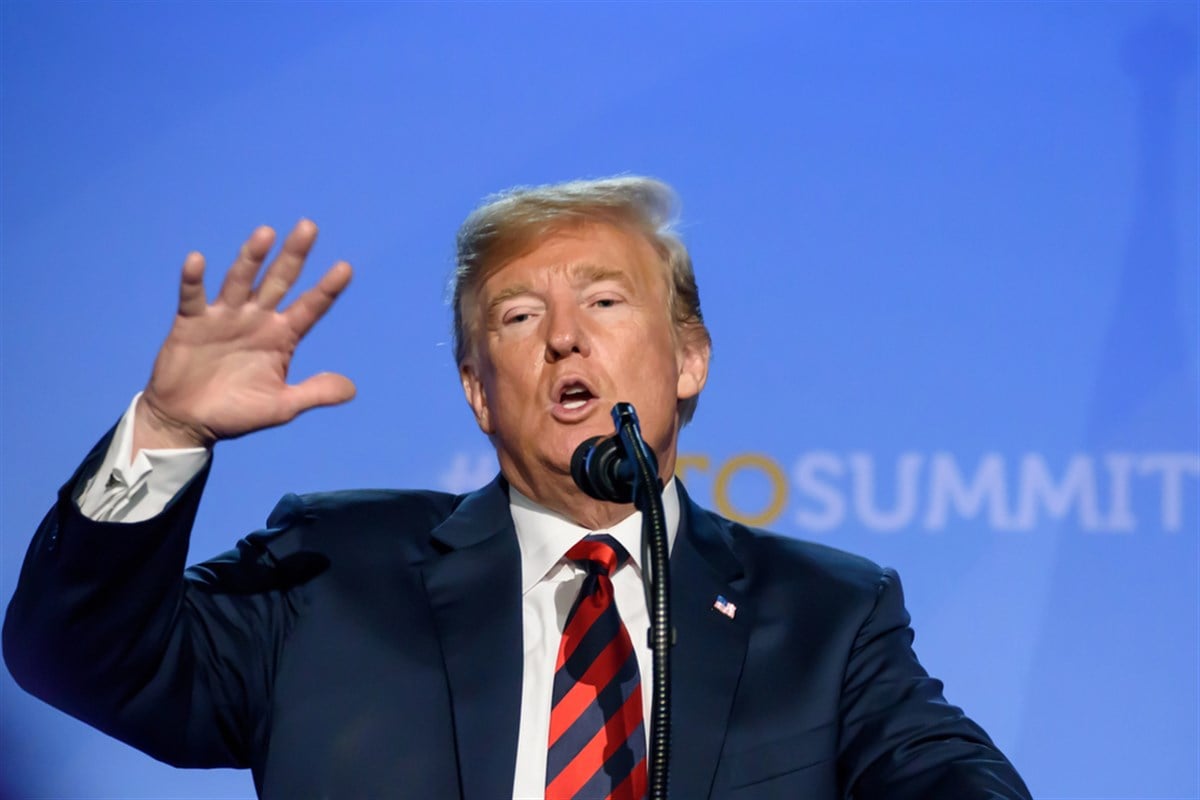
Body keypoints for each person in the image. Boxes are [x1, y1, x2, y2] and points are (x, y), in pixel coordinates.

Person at [4, 177, 1031, 799]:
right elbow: (76, 657)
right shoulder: (334, 573)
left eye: (605, 300)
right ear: (477, 391)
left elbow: (950, 779)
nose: (566, 336)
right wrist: (169, 427)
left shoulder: (824, 615)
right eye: (518, 316)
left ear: (689, 359)